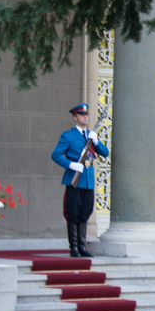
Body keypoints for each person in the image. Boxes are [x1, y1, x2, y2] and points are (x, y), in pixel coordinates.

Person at [51, 103, 109, 258]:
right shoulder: (68, 136)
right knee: (73, 214)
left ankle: (82, 246)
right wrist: (71, 164)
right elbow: (55, 155)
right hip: (74, 181)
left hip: (88, 181)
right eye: (82, 114)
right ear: (75, 118)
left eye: (86, 114)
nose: (85, 116)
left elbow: (105, 153)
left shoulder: (90, 135)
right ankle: (74, 248)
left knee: (85, 213)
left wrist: (96, 142)